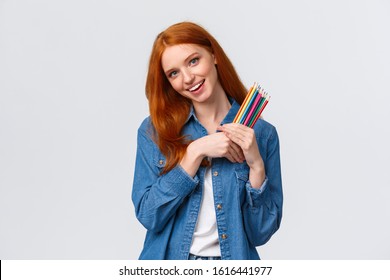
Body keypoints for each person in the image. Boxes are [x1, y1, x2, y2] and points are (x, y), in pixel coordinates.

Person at [132, 21, 283, 260]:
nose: (188, 78)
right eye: (174, 73)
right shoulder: (155, 131)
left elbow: (260, 233)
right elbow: (149, 216)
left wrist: (256, 166)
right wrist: (195, 151)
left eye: (193, 61)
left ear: (213, 55)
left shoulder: (261, 134)